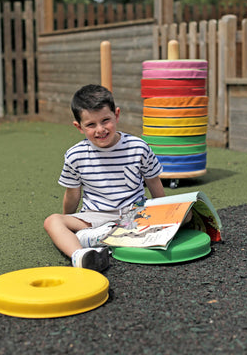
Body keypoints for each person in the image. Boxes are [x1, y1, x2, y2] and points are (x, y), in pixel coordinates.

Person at [44, 84, 165, 272]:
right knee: (53, 221)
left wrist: (166, 214)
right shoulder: (75, 155)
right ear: (79, 127)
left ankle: (99, 238)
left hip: (135, 213)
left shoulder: (138, 147)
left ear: (116, 115)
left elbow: (154, 183)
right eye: (91, 125)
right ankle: (80, 255)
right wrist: (69, 223)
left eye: (105, 120)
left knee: (187, 213)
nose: (100, 129)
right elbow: (72, 194)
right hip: (94, 216)